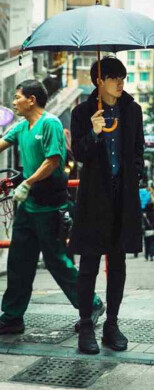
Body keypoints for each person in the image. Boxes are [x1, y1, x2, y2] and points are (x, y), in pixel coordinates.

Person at [70, 55, 144, 357]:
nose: (120, 83)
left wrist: (134, 173)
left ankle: (111, 324)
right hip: (93, 198)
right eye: (114, 78)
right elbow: (80, 155)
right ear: (99, 81)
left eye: (123, 77)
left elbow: (138, 148)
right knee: (88, 264)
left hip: (122, 197)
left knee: (118, 263)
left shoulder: (132, 110)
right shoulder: (82, 112)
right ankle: (86, 324)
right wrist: (95, 133)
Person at [0, 79, 82, 346]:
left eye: (18, 97)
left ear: (32, 100)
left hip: (49, 206)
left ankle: (90, 306)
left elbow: (52, 161)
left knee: (57, 261)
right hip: (28, 207)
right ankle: (12, 317)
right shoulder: (22, 127)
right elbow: (2, 142)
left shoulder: (51, 124)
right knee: (19, 261)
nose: (14, 102)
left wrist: (27, 182)